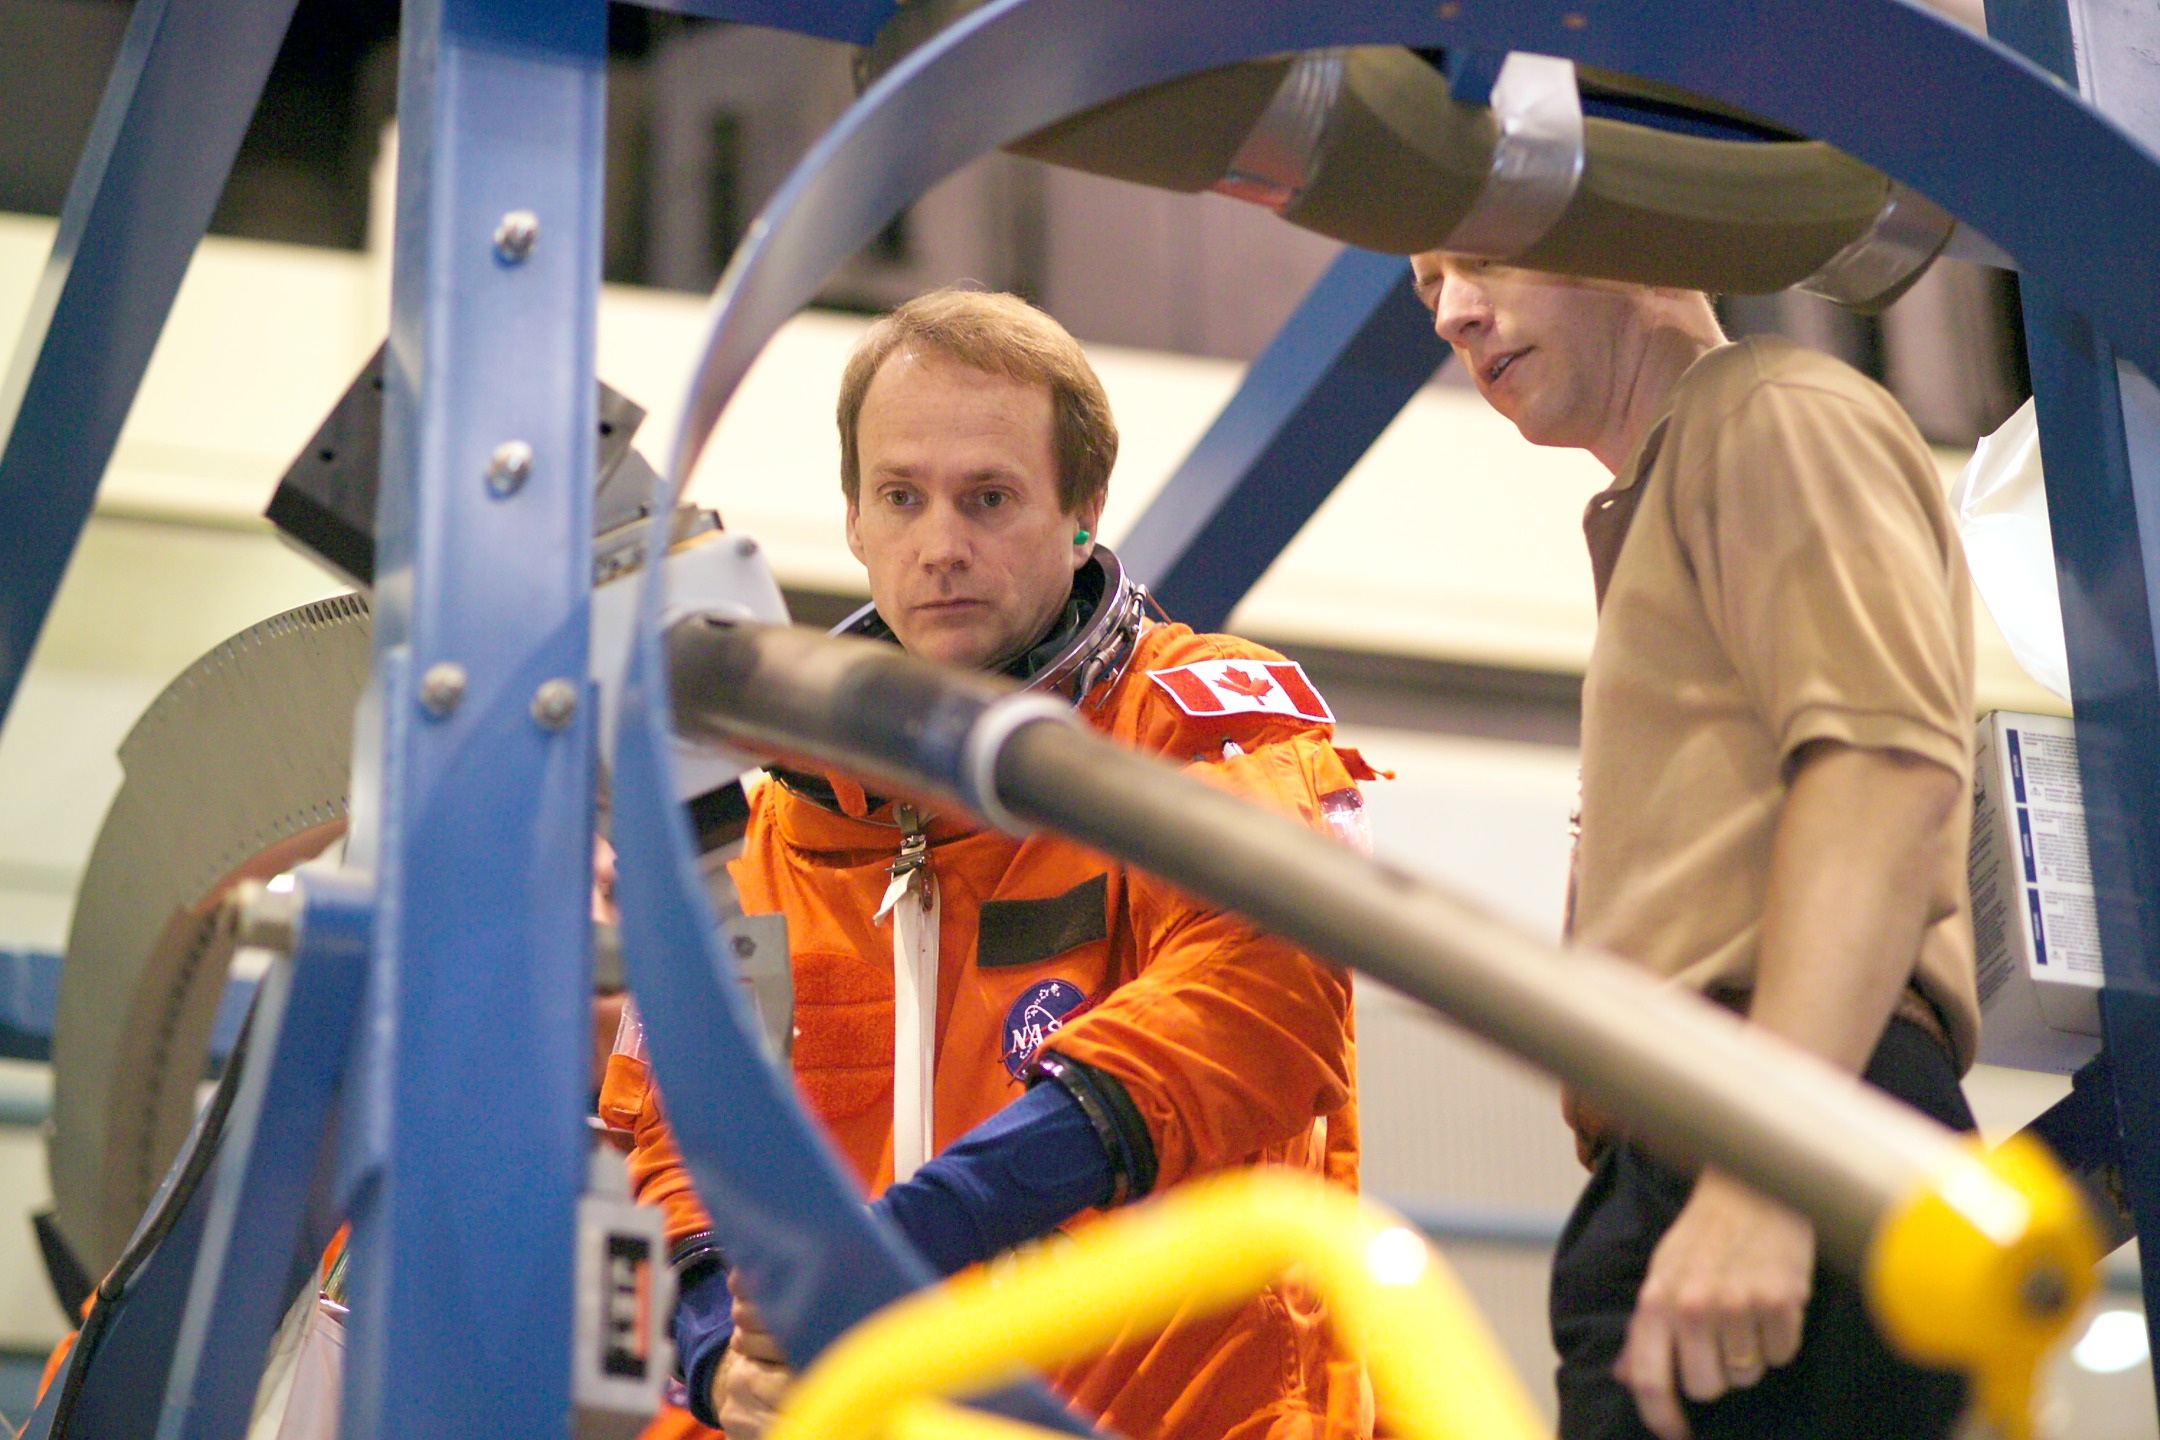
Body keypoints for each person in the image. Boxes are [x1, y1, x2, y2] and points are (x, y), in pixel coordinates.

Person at [600, 288, 1373, 1440]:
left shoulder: (1202, 728)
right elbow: (675, 1130)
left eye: (991, 499)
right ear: (854, 520)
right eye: (901, 497)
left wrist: (925, 1228)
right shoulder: (772, 833)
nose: (941, 545)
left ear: (1083, 513)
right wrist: (714, 1349)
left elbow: (1260, 999)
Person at [1408, 257, 1980, 1440]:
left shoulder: (1771, 410)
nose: (1455, 310)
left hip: (1774, 1123)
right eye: (1427, 285)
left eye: (1482, 257)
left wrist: (1772, 1168)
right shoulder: (1682, 476)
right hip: (1703, 1139)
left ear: (1628, 235)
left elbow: (1884, 771)